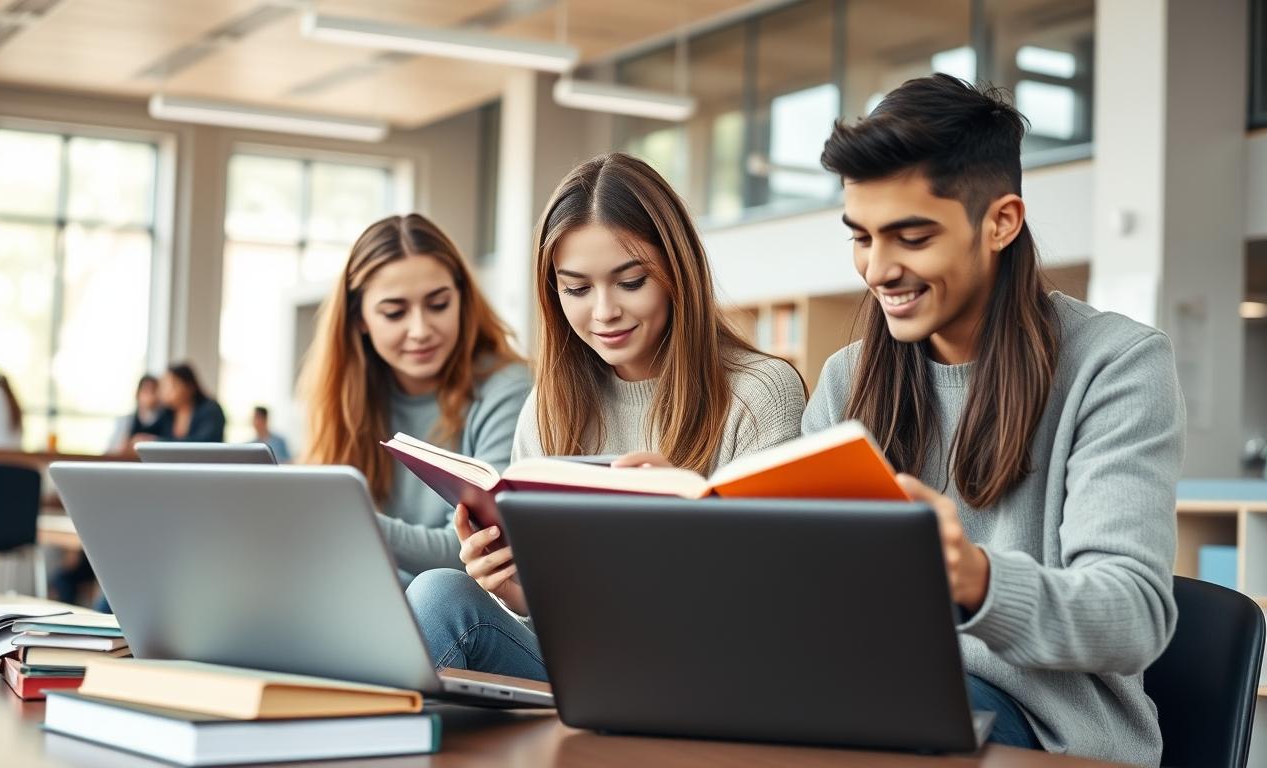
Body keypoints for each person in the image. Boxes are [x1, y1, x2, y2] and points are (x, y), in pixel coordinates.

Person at [801, 75, 1181, 765]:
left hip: (1047, 733)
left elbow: (1133, 616)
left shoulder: (1117, 365)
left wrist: (974, 577)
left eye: (911, 237)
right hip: (873, 700)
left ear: (1001, 222)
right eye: (861, 237)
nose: (878, 269)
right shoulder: (846, 379)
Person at [406, 152, 808, 681]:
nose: (603, 313)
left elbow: (780, 608)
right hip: (584, 665)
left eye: (631, 282)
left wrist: (694, 527)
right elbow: (555, 610)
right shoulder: (550, 405)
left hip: (705, 670)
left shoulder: (759, 395)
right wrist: (514, 590)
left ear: (676, 273)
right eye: (576, 289)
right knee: (438, 592)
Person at [298, 213, 529, 581]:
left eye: (438, 305)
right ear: (360, 319)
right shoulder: (344, 397)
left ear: (462, 300)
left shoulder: (507, 388)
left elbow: (477, 549)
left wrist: (341, 513)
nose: (420, 330)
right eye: (395, 312)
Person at [134, 363, 225, 444]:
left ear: (189, 387)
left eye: (171, 386)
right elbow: (145, 433)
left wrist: (158, 442)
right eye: (163, 386)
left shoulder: (210, 410)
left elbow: (205, 442)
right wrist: (145, 406)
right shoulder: (168, 413)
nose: (164, 392)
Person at [105, 374, 162, 454]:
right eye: (146, 391)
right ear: (137, 394)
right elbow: (110, 452)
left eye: (154, 391)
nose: (151, 396)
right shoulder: (126, 421)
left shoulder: (166, 420)